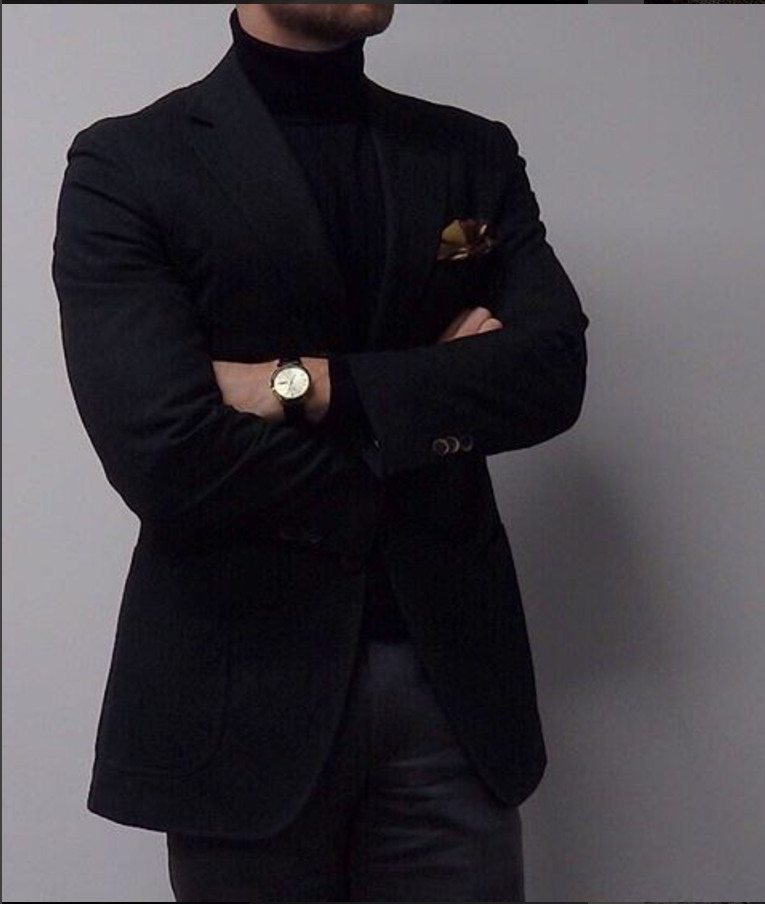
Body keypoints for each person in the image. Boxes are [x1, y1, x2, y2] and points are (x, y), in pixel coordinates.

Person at [53, 3, 589, 900]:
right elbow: (163, 451)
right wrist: (426, 404)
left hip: (453, 692)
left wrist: (306, 383)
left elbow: (552, 374)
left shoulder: (470, 152)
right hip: (240, 695)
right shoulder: (127, 162)